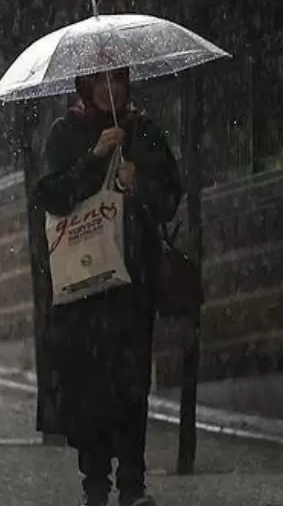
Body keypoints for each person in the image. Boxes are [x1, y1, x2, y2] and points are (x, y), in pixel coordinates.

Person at [37, 67, 183, 506]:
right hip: (84, 286)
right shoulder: (66, 132)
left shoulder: (143, 130)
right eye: (99, 80)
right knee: (90, 386)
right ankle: (95, 484)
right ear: (84, 85)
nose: (108, 88)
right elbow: (52, 195)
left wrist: (141, 185)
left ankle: (133, 485)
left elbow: (171, 197)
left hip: (132, 283)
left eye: (116, 79)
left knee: (132, 384)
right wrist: (94, 159)